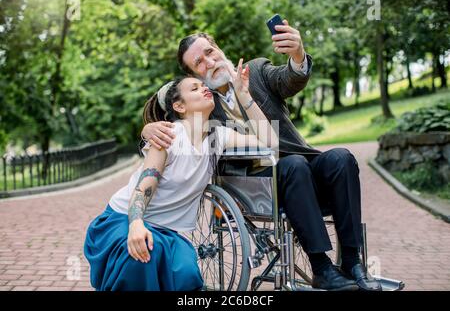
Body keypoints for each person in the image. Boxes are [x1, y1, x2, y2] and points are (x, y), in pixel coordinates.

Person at [141, 20, 382, 291]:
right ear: (196, 76)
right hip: (254, 184)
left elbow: (290, 79)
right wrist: (148, 128)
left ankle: (352, 260)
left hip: (299, 167)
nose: (209, 61)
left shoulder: (255, 70)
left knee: (341, 158)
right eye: (199, 63)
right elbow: (169, 107)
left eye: (210, 51)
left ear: (218, 48)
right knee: (293, 165)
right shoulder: (204, 105)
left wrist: (297, 54)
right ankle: (321, 267)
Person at [84, 60, 278, 291]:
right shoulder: (169, 135)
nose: (204, 88)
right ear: (179, 106)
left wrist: (244, 94)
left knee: (187, 275)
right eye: (194, 88)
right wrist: (135, 224)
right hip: (125, 218)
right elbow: (145, 185)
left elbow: (270, 143)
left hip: (167, 230)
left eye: (202, 85)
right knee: (142, 260)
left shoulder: (219, 136)